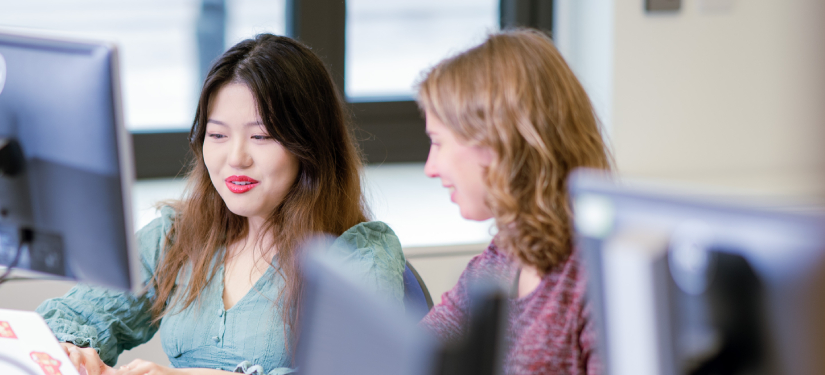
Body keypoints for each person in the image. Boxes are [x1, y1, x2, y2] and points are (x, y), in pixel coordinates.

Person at [36, 34, 405, 375]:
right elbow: (75, 315)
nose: (236, 158)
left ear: (309, 145)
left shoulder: (360, 254)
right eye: (217, 135)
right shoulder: (178, 235)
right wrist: (72, 350)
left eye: (261, 136)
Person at [416, 29, 612, 374]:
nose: (431, 168)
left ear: (499, 143)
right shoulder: (504, 255)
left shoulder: (599, 278)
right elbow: (414, 354)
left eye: (439, 142)